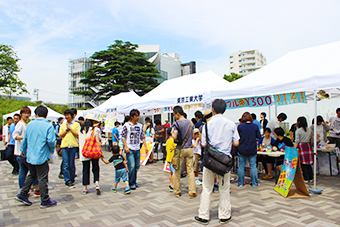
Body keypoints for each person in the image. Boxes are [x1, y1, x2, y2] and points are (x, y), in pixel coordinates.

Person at [194, 99, 240, 225]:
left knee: (207, 188)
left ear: (213, 109)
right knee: (224, 188)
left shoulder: (207, 125)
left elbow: (203, 144)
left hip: (210, 160)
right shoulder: (231, 124)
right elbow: (236, 142)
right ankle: (224, 215)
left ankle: (203, 215)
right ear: (224, 109)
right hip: (224, 161)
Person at [15, 105, 57, 208]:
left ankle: (23, 193)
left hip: (30, 155)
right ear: (46, 115)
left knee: (32, 175)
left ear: (36, 114)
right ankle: (45, 200)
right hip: (41, 155)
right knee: (42, 178)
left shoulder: (30, 125)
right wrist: (52, 150)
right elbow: (51, 141)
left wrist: (22, 150)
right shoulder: (48, 126)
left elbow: (25, 139)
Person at [13, 106, 39, 194]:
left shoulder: (25, 124)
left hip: (21, 152)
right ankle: (36, 189)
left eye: (28, 113)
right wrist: (25, 137)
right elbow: (15, 136)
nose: (26, 115)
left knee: (23, 172)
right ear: (21, 114)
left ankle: (23, 189)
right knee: (32, 172)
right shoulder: (20, 124)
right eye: (24, 113)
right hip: (22, 152)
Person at [172, 106, 196, 198]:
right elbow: (193, 135)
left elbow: (174, 137)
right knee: (190, 171)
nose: (174, 116)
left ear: (177, 114)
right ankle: (192, 191)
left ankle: (177, 191)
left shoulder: (177, 123)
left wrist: (171, 132)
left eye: (174, 114)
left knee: (178, 170)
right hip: (189, 148)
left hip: (180, 149)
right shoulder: (190, 122)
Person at [122, 109, 148, 190]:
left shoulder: (140, 126)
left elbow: (142, 136)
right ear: (132, 117)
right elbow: (123, 137)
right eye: (136, 116)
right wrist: (126, 147)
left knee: (137, 166)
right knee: (132, 166)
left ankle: (133, 181)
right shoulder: (126, 125)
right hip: (130, 148)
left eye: (138, 115)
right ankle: (131, 183)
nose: (137, 117)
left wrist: (146, 146)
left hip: (137, 148)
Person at [79, 114, 102, 195]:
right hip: (93, 152)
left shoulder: (81, 130)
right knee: (95, 168)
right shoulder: (95, 130)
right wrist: (100, 152)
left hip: (85, 152)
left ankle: (85, 188)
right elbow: (97, 142)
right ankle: (96, 184)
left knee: (85, 169)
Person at [237, 112, 261, 187]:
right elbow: (259, 136)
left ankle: (240, 183)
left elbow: (237, 137)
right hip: (252, 148)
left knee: (241, 166)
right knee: (253, 166)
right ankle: (254, 183)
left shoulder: (240, 126)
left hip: (242, 148)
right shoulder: (255, 126)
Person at [59, 109, 80, 187]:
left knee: (71, 163)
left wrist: (70, 129)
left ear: (72, 115)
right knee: (65, 164)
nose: (67, 117)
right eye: (66, 115)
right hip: (65, 146)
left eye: (68, 115)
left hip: (73, 146)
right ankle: (67, 180)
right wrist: (66, 130)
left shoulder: (76, 125)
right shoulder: (62, 125)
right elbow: (60, 136)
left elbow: (77, 135)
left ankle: (72, 178)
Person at [294, 117, 314, 183]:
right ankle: (311, 177)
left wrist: (294, 149)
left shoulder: (298, 131)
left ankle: (305, 178)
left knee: (303, 163)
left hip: (302, 147)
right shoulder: (309, 130)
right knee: (309, 163)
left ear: (299, 122)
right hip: (308, 146)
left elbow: (297, 141)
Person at [166, 128, 176, 192]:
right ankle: (173, 185)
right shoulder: (173, 140)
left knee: (171, 172)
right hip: (173, 158)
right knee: (174, 172)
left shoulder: (168, 140)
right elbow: (176, 146)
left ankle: (170, 184)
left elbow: (167, 149)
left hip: (168, 158)